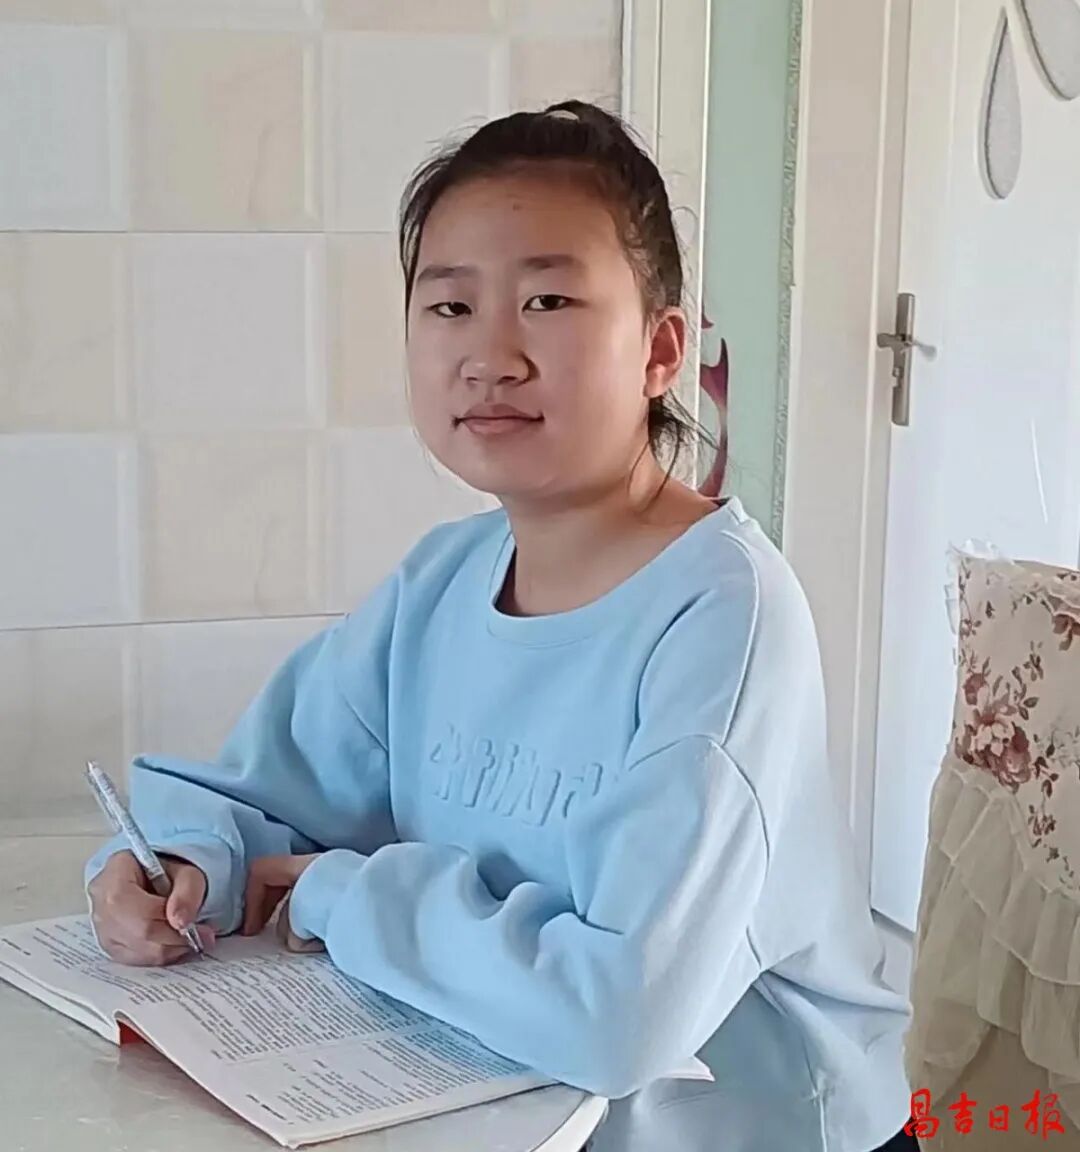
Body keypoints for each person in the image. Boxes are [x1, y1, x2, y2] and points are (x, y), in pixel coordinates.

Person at [86, 101, 915, 1152]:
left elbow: (621, 1019)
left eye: (548, 300)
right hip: (498, 1100)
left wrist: (344, 896)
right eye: (450, 307)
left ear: (662, 350)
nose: (491, 356)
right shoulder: (444, 580)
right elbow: (262, 790)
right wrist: (183, 862)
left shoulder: (723, 615)